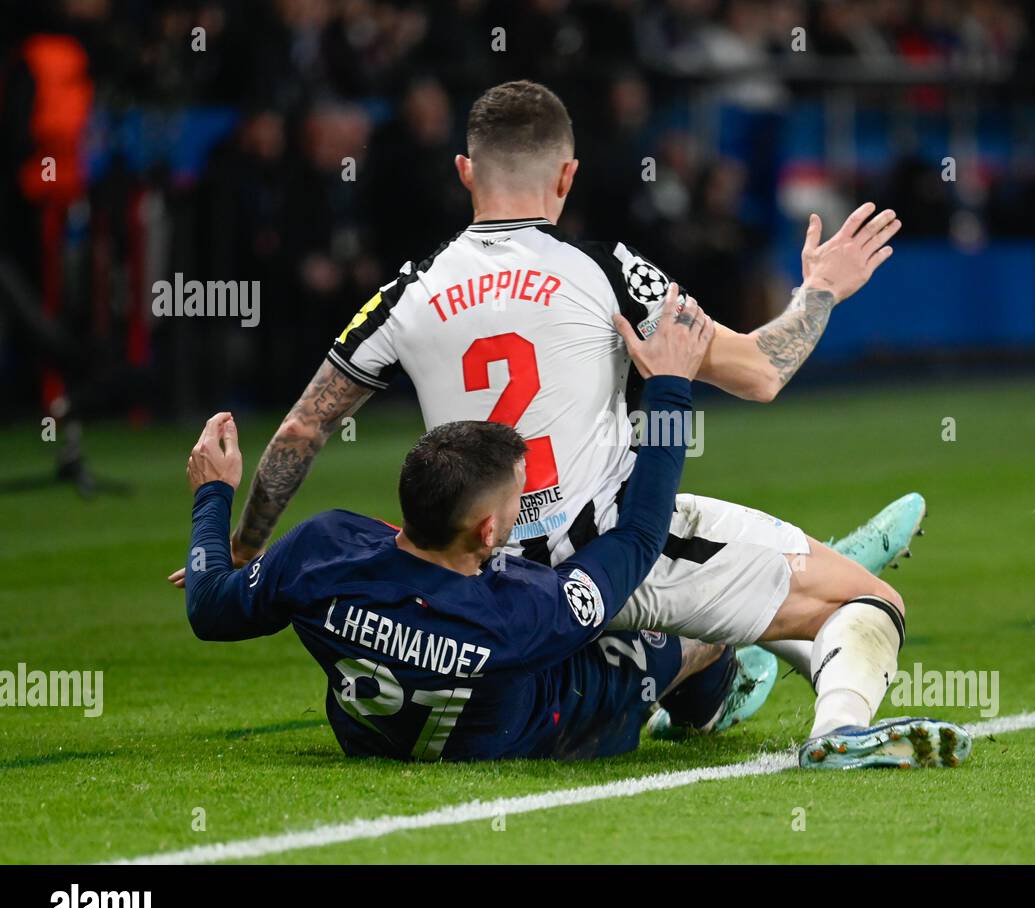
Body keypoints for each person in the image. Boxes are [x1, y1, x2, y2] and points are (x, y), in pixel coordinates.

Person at [174, 80, 967, 770]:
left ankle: (738, 646)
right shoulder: (605, 269)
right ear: (567, 176)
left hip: (480, 580)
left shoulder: (405, 294)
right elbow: (762, 371)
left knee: (688, 641)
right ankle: (834, 721)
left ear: (464, 173)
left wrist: (245, 550)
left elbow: (301, 433)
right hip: (620, 551)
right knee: (863, 603)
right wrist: (820, 291)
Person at [183, 293, 772, 761]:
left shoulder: (321, 549)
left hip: (381, 737)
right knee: (687, 631)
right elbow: (641, 535)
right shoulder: (526, 607)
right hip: (549, 724)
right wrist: (670, 387)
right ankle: (712, 697)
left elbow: (210, 608)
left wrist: (214, 494)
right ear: (489, 532)